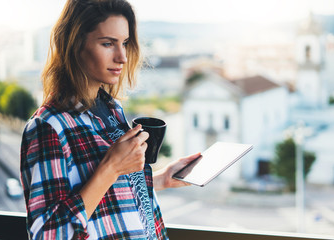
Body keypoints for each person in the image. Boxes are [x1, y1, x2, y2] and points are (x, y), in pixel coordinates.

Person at [20, 0, 200, 239]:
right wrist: (112, 167)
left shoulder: (111, 109)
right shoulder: (49, 127)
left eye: (124, 43)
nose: (122, 57)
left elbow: (102, 196)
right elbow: (47, 234)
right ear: (74, 45)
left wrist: (161, 179)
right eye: (108, 43)